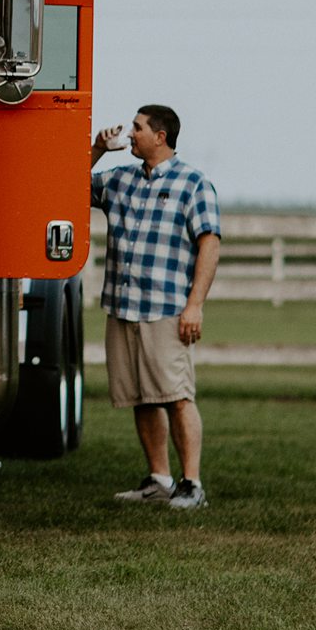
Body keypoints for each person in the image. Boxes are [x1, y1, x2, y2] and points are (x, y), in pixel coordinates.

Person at [91, 104, 221, 511]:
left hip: (167, 307)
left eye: (138, 128)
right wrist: (96, 150)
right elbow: (64, 186)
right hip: (124, 307)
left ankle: (192, 485)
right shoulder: (119, 179)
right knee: (142, 397)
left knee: (177, 396)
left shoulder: (194, 183)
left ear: (160, 136)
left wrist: (194, 305)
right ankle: (159, 480)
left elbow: (210, 244)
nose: (130, 135)